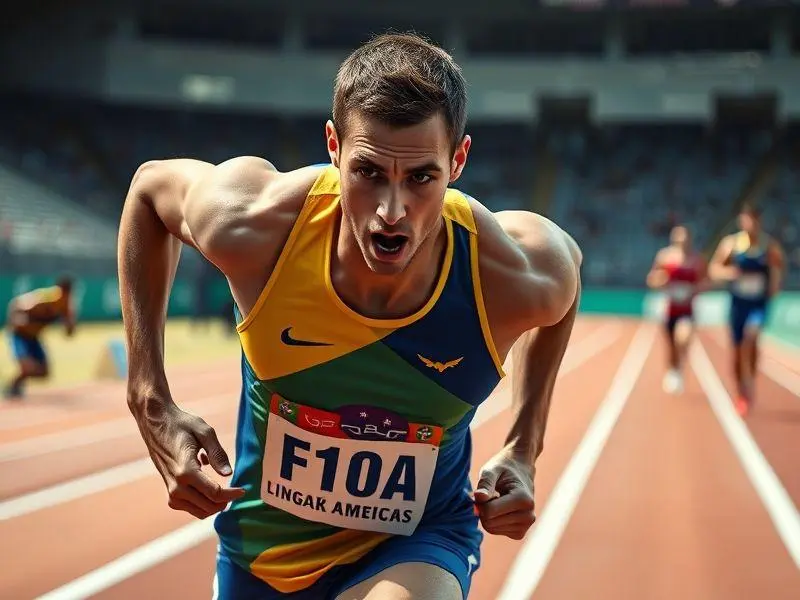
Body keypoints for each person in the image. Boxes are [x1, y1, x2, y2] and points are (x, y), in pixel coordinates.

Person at [118, 33, 582, 600]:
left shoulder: (502, 275)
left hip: (417, 541)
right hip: (264, 553)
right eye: (367, 173)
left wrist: (523, 445)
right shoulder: (258, 226)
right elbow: (148, 190)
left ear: (457, 161)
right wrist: (150, 398)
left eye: (420, 178)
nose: (392, 212)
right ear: (333, 147)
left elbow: (568, 272)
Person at [709, 204, 785, 416]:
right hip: (738, 305)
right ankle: (741, 391)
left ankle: (750, 378)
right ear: (741, 221)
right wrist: (728, 273)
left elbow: (779, 267)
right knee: (736, 351)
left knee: (751, 338)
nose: (749, 224)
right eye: (746, 219)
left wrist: (775, 284)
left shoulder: (768, 246)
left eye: (753, 219)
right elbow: (714, 269)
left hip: (757, 304)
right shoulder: (731, 245)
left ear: (758, 221)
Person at [646, 225, 707, 394]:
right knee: (671, 344)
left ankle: (678, 367)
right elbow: (651, 279)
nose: (682, 241)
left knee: (683, 338)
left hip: (687, 309)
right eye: (678, 238)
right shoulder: (664, 256)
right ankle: (672, 370)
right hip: (668, 308)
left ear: (689, 239)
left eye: (685, 238)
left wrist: (696, 289)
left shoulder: (697, 259)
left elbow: (706, 281)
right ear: (673, 239)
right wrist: (661, 280)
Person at [4, 276, 76, 398]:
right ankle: (12, 386)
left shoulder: (65, 306)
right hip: (20, 336)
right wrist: (18, 320)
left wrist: (69, 324)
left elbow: (69, 333)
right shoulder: (46, 297)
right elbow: (16, 306)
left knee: (44, 372)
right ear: (62, 291)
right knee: (28, 367)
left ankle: (18, 382)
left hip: (33, 338)